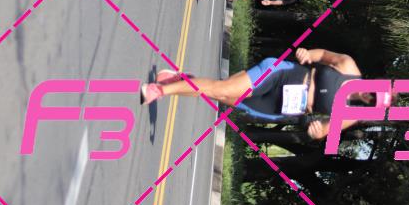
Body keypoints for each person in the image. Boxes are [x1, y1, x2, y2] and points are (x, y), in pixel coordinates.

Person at [140, 47, 390, 140]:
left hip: (281, 108)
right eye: (375, 91)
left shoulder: (350, 115)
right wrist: (307, 54)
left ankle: (184, 81)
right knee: (221, 89)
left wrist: (316, 132)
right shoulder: (348, 66)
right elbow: (323, 55)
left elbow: (324, 131)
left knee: (220, 95)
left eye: (374, 101)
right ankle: (159, 90)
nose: (370, 96)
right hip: (283, 75)